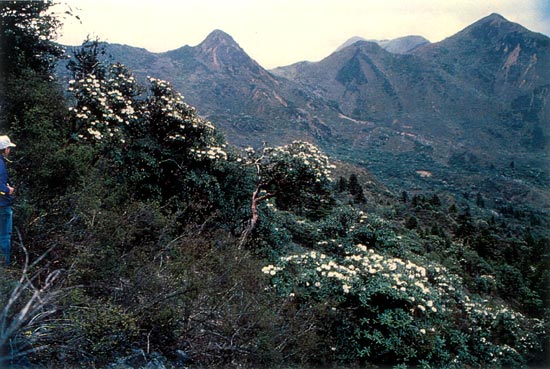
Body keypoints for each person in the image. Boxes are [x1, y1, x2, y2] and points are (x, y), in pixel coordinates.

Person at [0, 135, 16, 266]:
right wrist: (7, 190)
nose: (9, 151)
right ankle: (4, 267)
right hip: (2, 205)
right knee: (4, 236)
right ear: (4, 149)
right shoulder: (0, 163)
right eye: (8, 148)